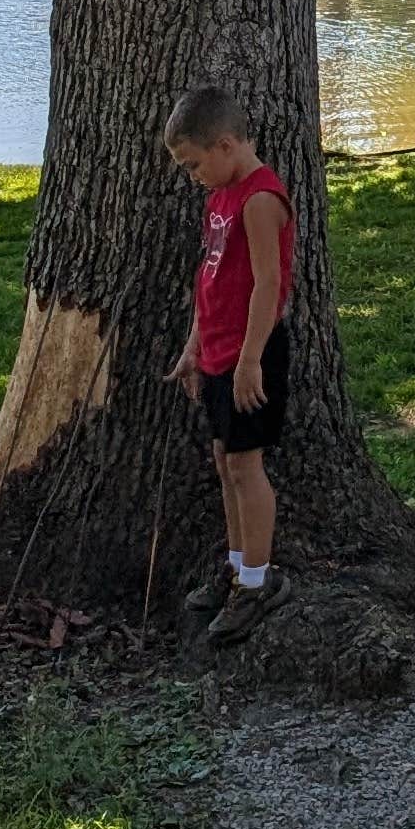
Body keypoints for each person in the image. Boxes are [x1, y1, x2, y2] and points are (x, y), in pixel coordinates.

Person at [163, 83, 295, 645]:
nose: (192, 175)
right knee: (224, 463)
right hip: (217, 351)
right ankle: (238, 566)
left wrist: (248, 362)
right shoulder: (217, 197)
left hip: (252, 355)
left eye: (194, 164)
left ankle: (259, 583)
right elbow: (210, 278)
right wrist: (195, 345)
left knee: (246, 467)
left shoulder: (260, 199)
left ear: (223, 144)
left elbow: (270, 286)